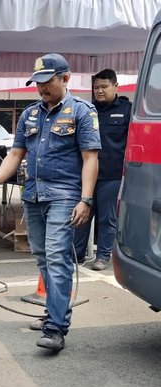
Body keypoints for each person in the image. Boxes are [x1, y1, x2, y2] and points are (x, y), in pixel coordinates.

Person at [0, 53, 101, 351]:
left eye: (47, 82)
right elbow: (16, 154)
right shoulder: (30, 114)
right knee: (42, 257)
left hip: (64, 195)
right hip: (33, 195)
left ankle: (56, 328)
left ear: (65, 78)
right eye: (37, 83)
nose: (41, 88)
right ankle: (55, 311)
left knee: (57, 256)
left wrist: (86, 199)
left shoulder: (81, 112)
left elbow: (90, 159)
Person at [74, 69, 132, 271]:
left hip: (112, 175)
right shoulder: (86, 109)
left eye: (104, 87)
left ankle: (103, 256)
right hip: (86, 175)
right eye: (96, 87)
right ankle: (77, 253)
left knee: (107, 218)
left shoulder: (126, 110)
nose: (99, 91)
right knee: (81, 215)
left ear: (115, 86)